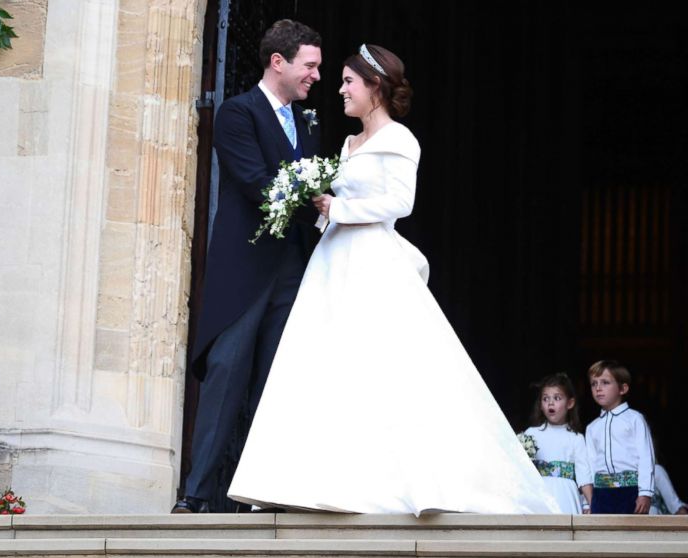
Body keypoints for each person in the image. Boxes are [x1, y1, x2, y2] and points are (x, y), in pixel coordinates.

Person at [226, 44, 558, 514]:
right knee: (325, 364)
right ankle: (307, 481)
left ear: (374, 86)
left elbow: (401, 203)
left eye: (347, 81)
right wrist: (322, 209)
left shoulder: (400, 139)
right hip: (333, 259)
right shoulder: (347, 144)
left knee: (379, 364)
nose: (339, 90)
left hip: (372, 260)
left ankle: (390, 480)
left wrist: (341, 208)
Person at [173, 19, 323, 514]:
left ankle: (261, 493)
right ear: (277, 62)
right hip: (244, 272)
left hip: (292, 270)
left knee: (277, 383)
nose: (316, 76)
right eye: (310, 66)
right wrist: (321, 203)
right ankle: (196, 494)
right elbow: (258, 183)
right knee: (226, 375)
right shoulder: (237, 113)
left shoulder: (306, 124)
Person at [585, 360, 655, 514]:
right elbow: (590, 464)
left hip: (630, 492)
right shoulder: (592, 427)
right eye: (593, 384)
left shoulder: (635, 419)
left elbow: (645, 457)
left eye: (605, 382)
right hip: (601, 494)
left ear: (623, 388)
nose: (598, 388)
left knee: (631, 536)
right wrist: (586, 502)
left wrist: (645, 493)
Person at [521, 373, 593, 514]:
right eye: (545, 399)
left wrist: (590, 503)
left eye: (557, 398)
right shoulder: (531, 433)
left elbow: (583, 473)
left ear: (570, 403)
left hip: (566, 495)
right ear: (540, 405)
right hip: (540, 493)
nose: (550, 403)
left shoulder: (576, 438)